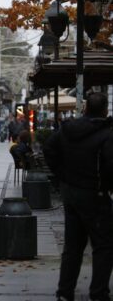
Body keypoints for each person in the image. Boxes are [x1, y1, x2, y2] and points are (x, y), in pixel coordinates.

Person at [43, 93, 113, 301]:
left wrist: (62, 175)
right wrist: (106, 185)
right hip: (96, 195)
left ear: (84, 109)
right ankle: (98, 292)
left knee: (72, 246)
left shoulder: (67, 129)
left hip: (71, 193)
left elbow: (48, 148)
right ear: (105, 110)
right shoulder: (107, 133)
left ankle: (65, 291)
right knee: (104, 245)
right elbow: (110, 165)